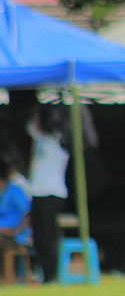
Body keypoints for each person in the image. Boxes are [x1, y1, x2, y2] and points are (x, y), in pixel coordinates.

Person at [25, 101, 70, 283]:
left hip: (52, 194)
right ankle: (44, 273)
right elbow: (30, 125)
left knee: (48, 237)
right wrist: (37, 111)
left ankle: (51, 275)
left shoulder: (58, 140)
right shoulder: (39, 138)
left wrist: (53, 110)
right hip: (37, 193)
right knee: (37, 237)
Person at [0, 156, 33, 281]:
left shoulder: (15, 191)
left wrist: (14, 230)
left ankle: (9, 278)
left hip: (15, 235)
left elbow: (28, 214)